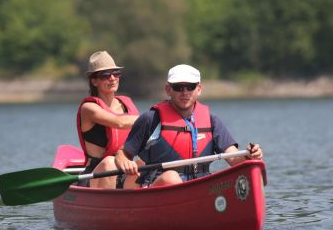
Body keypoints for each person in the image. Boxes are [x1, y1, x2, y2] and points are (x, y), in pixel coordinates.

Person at [115, 64, 263, 188]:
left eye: (190, 87)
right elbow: (122, 155)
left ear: (199, 89)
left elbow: (234, 158)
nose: (185, 92)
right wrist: (126, 163)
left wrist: (251, 156)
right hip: (159, 187)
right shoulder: (150, 119)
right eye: (178, 87)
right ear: (168, 89)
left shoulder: (212, 121)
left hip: (199, 186)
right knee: (171, 178)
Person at [77, 51, 139, 188]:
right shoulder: (88, 108)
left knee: (144, 162)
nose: (112, 78)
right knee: (109, 162)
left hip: (124, 170)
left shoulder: (126, 103)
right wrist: (154, 118)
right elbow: (119, 123)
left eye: (116, 73)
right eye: (105, 75)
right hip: (95, 175)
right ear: (94, 81)